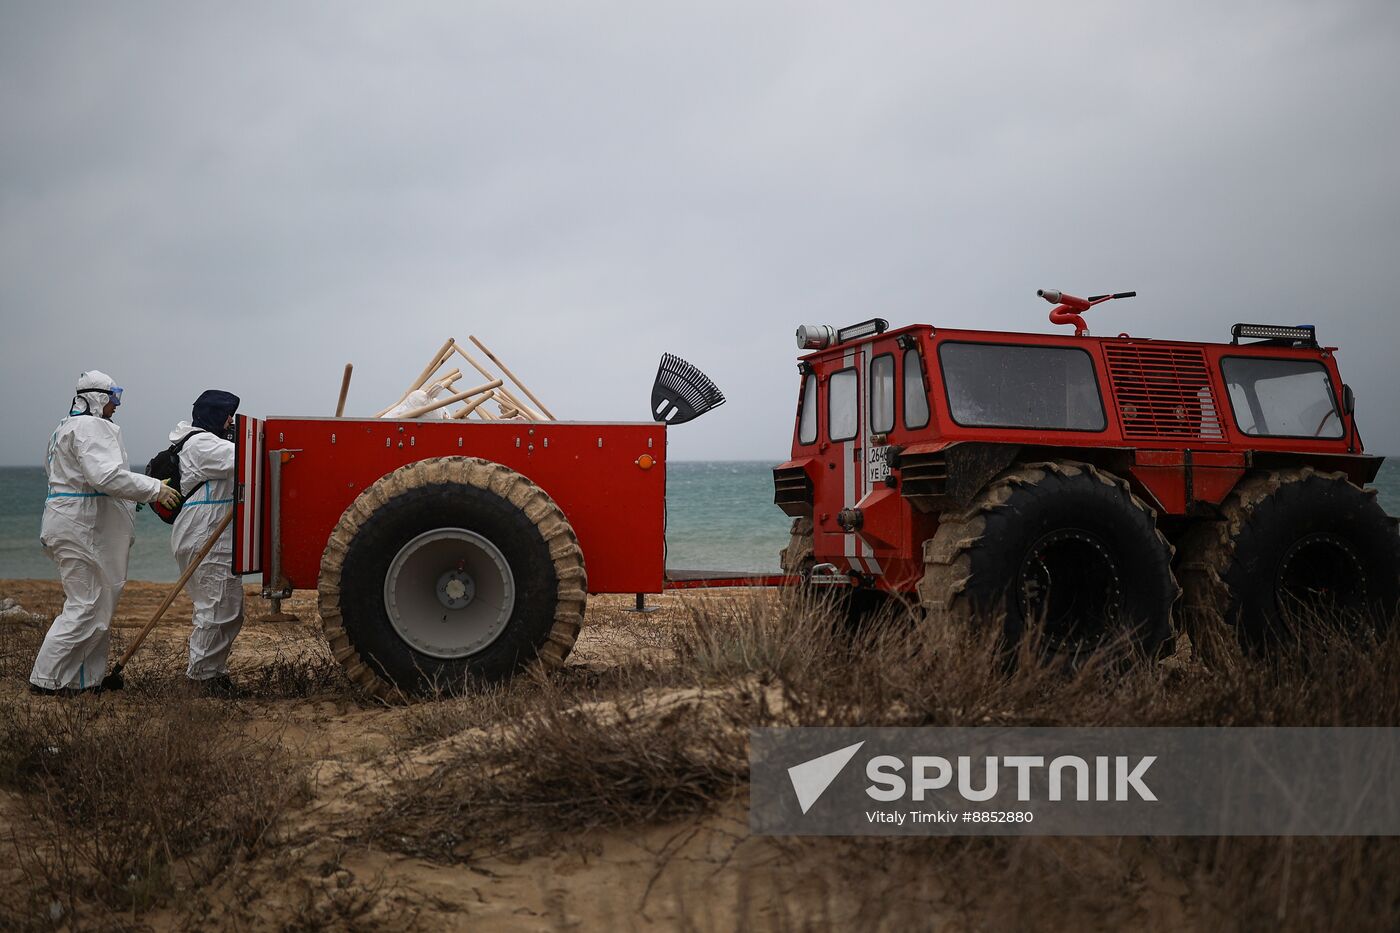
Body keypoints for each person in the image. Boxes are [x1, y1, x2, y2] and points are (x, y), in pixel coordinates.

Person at [31, 371, 182, 694]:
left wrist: (127, 499)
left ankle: (84, 680)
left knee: (97, 605)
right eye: (113, 397)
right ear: (98, 398)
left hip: (75, 524)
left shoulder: (64, 427)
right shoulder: (90, 427)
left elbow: (81, 480)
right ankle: (45, 679)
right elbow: (105, 476)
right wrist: (153, 489)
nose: (116, 404)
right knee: (85, 603)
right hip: (82, 529)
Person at [169, 389, 243, 695]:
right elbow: (242, 459)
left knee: (224, 607)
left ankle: (212, 673)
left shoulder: (204, 441)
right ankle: (201, 679)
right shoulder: (201, 443)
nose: (231, 422)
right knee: (217, 606)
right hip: (204, 532)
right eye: (229, 415)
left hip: (205, 531)